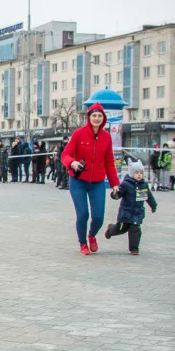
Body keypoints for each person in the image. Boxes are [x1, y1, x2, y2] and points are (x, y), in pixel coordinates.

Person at [61, 102, 120, 256]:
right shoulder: (79, 134)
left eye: (99, 116)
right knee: (83, 215)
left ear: (103, 118)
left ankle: (92, 235)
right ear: (89, 117)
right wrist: (72, 162)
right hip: (78, 181)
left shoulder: (106, 137)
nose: (96, 118)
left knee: (98, 217)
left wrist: (115, 184)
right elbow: (65, 155)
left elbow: (109, 162)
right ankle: (83, 243)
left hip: (97, 183)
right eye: (94, 115)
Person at [104, 160, 157, 255]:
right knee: (121, 229)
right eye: (137, 173)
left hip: (137, 212)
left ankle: (134, 249)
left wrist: (153, 205)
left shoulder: (144, 185)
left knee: (135, 229)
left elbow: (148, 196)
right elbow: (118, 193)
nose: (139, 175)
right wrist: (115, 194)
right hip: (126, 212)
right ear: (132, 173)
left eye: (141, 173)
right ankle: (111, 229)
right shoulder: (126, 184)